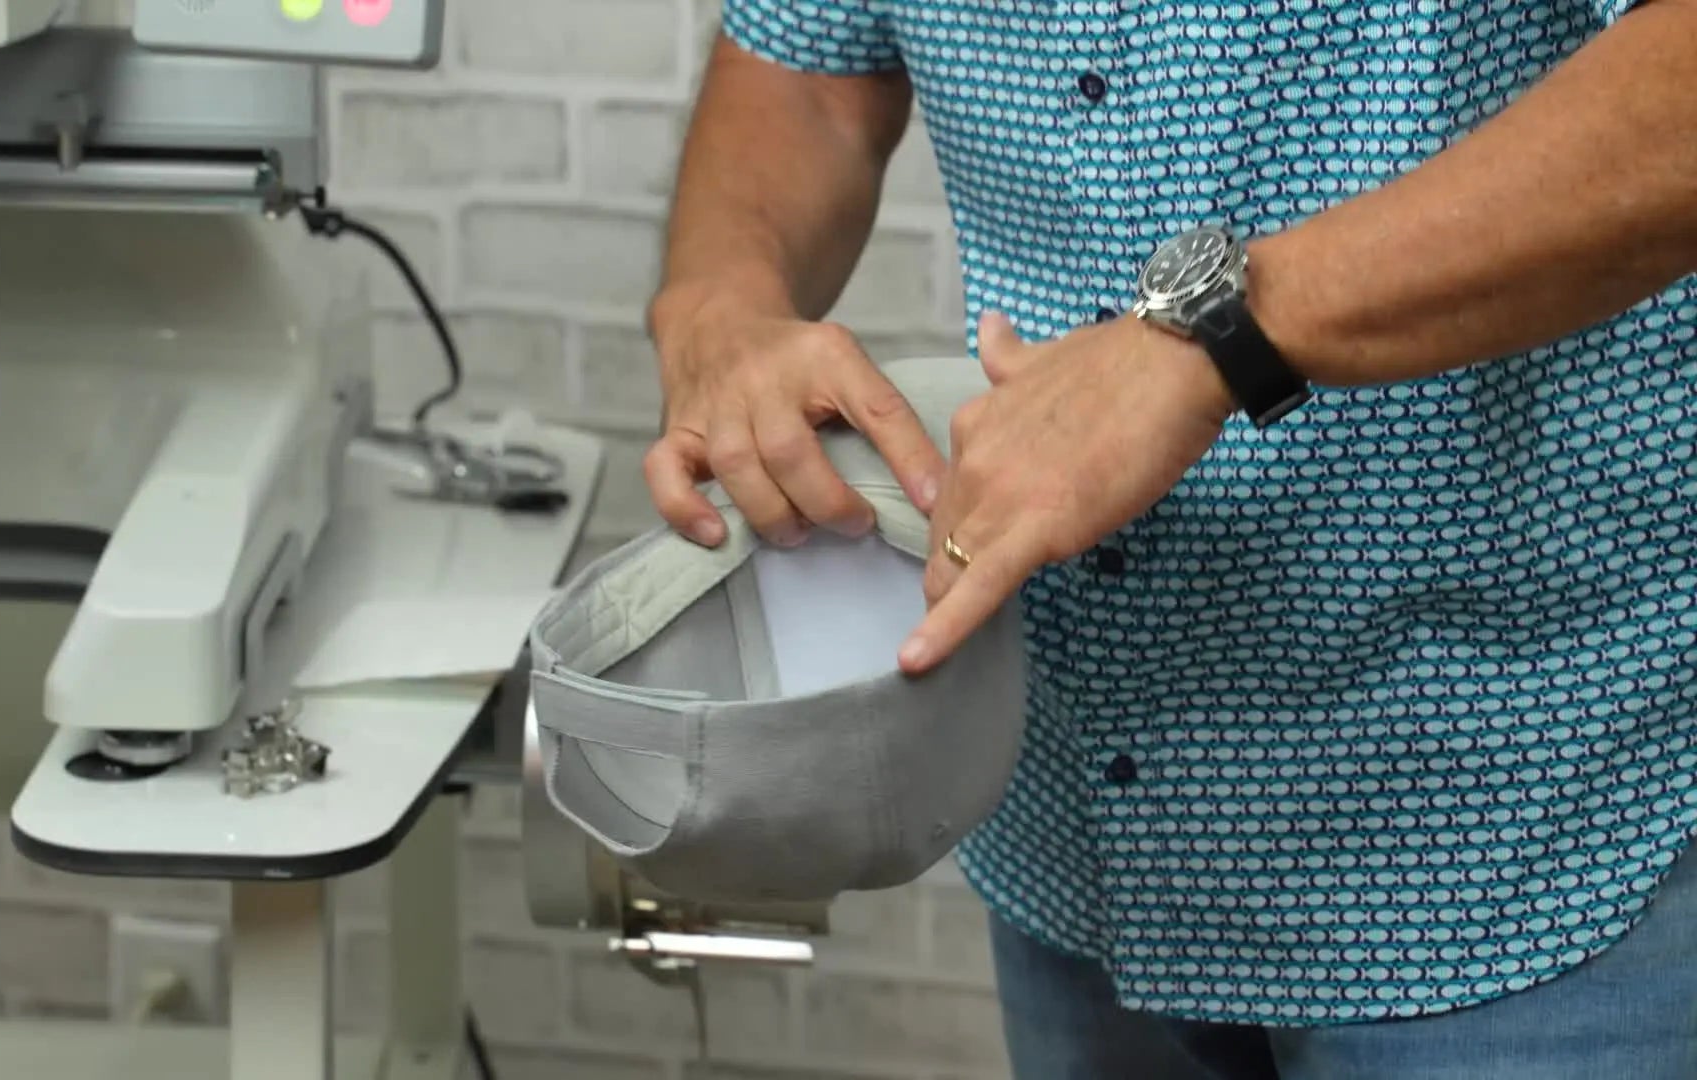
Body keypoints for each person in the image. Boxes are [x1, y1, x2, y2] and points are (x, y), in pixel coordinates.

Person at [642, 2, 1697, 1078]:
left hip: (1518, 827)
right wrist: (716, 312)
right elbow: (810, 74)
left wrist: (1225, 333)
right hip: (1081, 803)